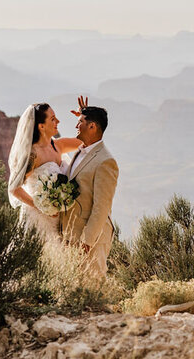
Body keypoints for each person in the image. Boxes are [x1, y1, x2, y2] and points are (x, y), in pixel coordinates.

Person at [60, 101, 119, 278]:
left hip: (91, 239)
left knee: (93, 290)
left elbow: (102, 206)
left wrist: (87, 241)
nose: (76, 126)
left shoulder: (105, 161)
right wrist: (83, 113)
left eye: (81, 122)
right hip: (71, 234)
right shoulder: (81, 150)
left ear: (92, 126)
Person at [7, 102, 82, 242]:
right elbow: (14, 189)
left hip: (60, 222)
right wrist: (41, 207)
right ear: (41, 126)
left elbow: (86, 142)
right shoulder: (32, 155)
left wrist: (84, 116)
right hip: (38, 221)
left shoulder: (58, 145)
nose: (58, 121)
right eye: (53, 119)